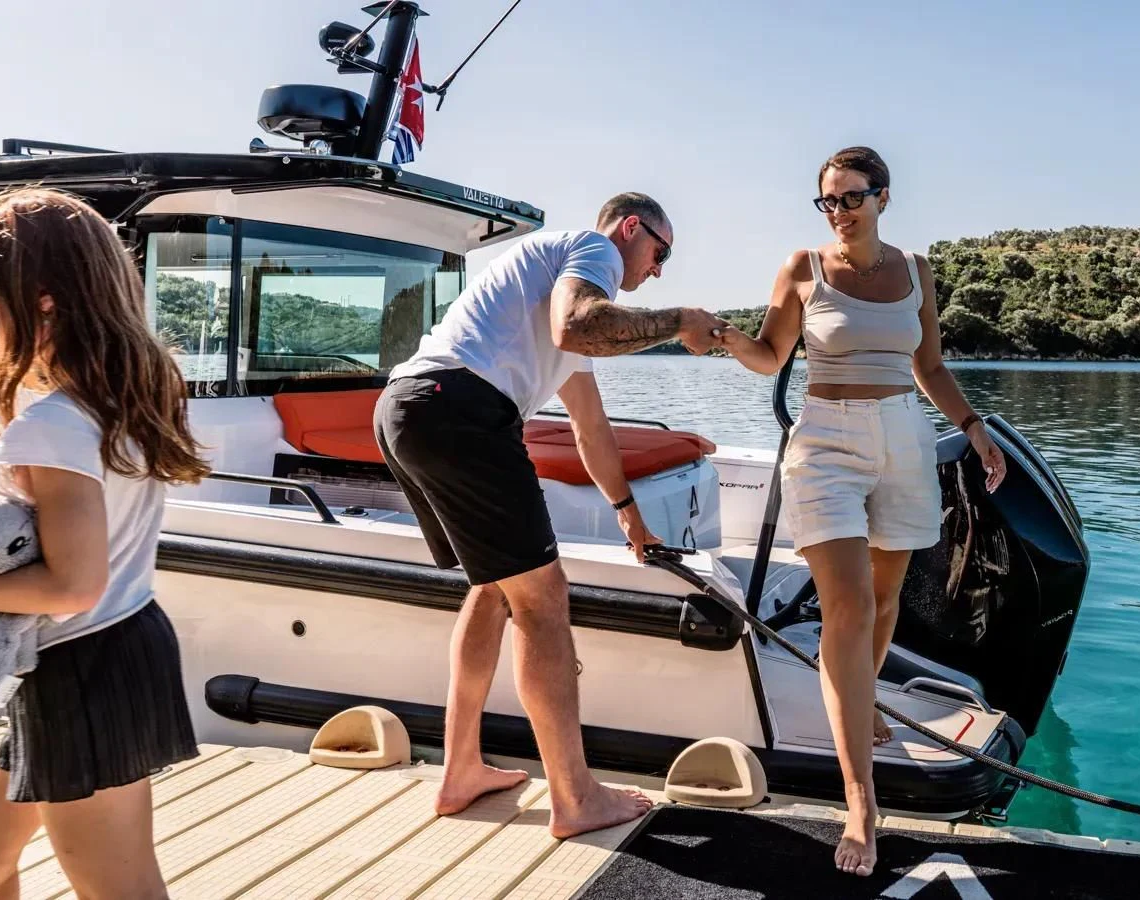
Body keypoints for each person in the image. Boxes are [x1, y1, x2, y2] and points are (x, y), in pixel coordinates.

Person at [375, 192, 725, 838]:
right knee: (543, 600)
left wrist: (627, 512)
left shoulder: (562, 294)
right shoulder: (590, 252)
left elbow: (591, 428)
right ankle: (575, 798)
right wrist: (679, 322)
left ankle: (460, 771)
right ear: (629, 230)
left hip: (408, 407)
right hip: (460, 408)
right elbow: (578, 325)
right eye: (659, 251)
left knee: (493, 588)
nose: (658, 270)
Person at [716, 147, 1008, 876]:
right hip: (826, 442)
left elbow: (930, 367)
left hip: (904, 439)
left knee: (882, 603)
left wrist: (975, 430)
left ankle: (863, 702)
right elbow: (768, 353)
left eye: (852, 198)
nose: (840, 212)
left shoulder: (916, 272)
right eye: (829, 201)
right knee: (845, 608)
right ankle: (861, 802)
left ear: (883, 198)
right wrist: (722, 336)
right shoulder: (803, 269)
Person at [0, 188, 210, 898]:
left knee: (119, 889)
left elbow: (70, 587)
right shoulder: (131, 395)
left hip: (83, 661)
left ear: (44, 300)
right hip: (113, 646)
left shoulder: (53, 427)